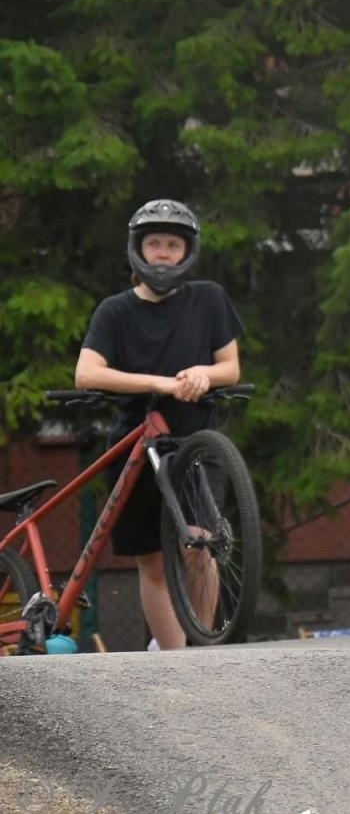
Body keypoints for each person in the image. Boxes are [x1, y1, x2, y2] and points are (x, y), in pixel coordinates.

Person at [75, 199, 245, 652]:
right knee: (150, 559)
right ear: (138, 249)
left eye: (173, 244)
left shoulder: (209, 298)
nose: (164, 253)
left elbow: (230, 367)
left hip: (195, 440)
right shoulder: (115, 311)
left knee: (201, 547)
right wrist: (159, 383)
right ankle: (173, 659)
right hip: (135, 442)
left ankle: (201, 652)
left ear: (188, 250)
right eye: (155, 244)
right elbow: (87, 373)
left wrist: (204, 374)